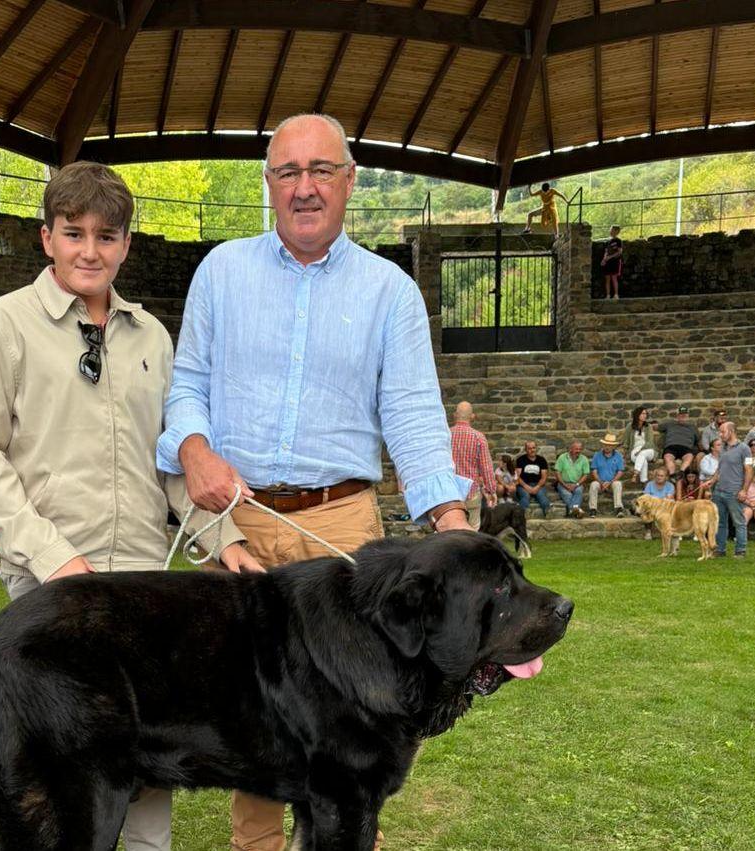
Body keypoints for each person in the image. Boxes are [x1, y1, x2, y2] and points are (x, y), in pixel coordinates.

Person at [155, 113, 472, 851]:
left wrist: (449, 516)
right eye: (288, 172)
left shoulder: (390, 292)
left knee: (356, 720)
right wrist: (194, 447)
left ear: (350, 181)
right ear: (267, 184)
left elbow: (415, 414)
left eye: (321, 171)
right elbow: (188, 385)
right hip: (236, 517)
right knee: (252, 716)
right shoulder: (221, 272)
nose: (304, 188)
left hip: (342, 531)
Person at [0, 160, 258, 851]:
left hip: (145, 593)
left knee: (148, 768)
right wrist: (56, 556)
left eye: (107, 236)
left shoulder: (151, 336)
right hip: (50, 588)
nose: (90, 250)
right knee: (66, 788)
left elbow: (174, 460)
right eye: (74, 233)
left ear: (126, 244)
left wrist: (226, 538)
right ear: (46, 238)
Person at [449, 401, 497, 528]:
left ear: (455, 415)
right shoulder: (478, 437)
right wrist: (491, 490)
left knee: (450, 531)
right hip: (471, 493)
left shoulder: (445, 436)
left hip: (450, 493)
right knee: (472, 530)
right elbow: (486, 468)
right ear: (472, 416)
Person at [711, 421, 752, 558]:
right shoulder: (722, 448)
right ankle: (720, 550)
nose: (720, 434)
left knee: (739, 522)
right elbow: (719, 468)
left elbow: (749, 470)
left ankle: (740, 550)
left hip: (734, 492)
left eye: (723, 431)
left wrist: (744, 490)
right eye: (720, 431)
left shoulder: (744, 448)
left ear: (731, 431)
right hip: (718, 491)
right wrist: (712, 480)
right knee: (720, 522)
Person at [588, 433, 625, 517]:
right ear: (603, 445)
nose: (607, 447)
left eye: (610, 445)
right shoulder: (597, 455)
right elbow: (594, 471)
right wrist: (601, 482)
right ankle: (592, 509)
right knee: (593, 485)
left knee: (618, 484)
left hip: (612, 481)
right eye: (606, 445)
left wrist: (610, 482)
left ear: (614, 447)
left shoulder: (618, 456)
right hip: (600, 481)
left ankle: (618, 509)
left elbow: (620, 471)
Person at [658, 406, 699, 476]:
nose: (683, 416)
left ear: (688, 416)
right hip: (671, 446)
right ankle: (672, 475)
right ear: (677, 416)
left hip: (686, 447)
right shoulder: (670, 424)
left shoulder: (692, 427)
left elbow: (697, 439)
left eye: (685, 415)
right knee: (668, 457)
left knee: (689, 456)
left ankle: (681, 473)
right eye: (681, 414)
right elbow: (658, 427)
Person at [515, 441, 552, 518]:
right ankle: (521, 514)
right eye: (529, 448)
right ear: (526, 450)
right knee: (525, 496)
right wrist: (526, 486)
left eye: (534, 448)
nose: (532, 450)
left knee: (542, 496)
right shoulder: (520, 460)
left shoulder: (541, 460)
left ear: (536, 448)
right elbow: (517, 477)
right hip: (523, 485)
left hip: (538, 484)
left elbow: (544, 477)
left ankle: (548, 512)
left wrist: (537, 487)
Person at [553, 441, 589, 518]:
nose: (578, 451)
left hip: (577, 483)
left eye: (580, 449)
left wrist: (577, 484)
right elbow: (557, 472)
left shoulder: (584, 459)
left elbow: (585, 474)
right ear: (571, 449)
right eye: (576, 449)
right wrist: (565, 485)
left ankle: (572, 510)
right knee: (567, 494)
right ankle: (577, 510)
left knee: (579, 490)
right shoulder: (562, 457)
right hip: (563, 483)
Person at [624, 405, 657, 483]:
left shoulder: (648, 426)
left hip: (648, 450)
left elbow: (650, 442)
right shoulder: (630, 426)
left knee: (642, 454)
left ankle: (635, 474)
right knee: (643, 461)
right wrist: (624, 453)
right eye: (642, 413)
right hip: (634, 451)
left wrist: (641, 450)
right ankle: (644, 481)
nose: (645, 415)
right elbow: (626, 442)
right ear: (637, 415)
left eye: (645, 414)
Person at [641, 466, 674, 539]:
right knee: (646, 508)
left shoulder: (670, 486)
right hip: (652, 507)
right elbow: (646, 498)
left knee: (671, 504)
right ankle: (648, 532)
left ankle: (669, 531)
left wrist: (656, 501)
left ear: (666, 477)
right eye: (658, 475)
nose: (659, 477)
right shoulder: (649, 484)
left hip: (664, 507)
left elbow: (668, 498)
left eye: (661, 476)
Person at [600, 225, 623, 299]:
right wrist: (604, 259)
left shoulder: (618, 241)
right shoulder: (608, 241)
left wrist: (610, 257)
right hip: (608, 263)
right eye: (610, 230)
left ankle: (616, 294)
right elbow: (606, 251)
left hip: (615, 262)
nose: (610, 231)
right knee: (607, 278)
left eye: (612, 230)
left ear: (616, 231)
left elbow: (619, 252)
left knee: (614, 277)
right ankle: (608, 295)